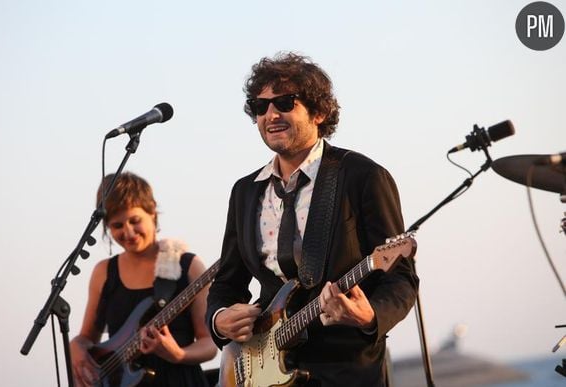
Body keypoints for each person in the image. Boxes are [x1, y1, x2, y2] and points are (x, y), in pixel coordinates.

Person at [205, 52, 419, 387]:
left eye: (285, 102)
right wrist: (219, 320)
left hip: (346, 369)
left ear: (319, 112)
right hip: (264, 370)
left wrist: (370, 315)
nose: (270, 114)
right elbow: (226, 284)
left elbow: (402, 280)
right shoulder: (245, 192)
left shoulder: (362, 176)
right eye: (260, 107)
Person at [70, 172, 217, 387]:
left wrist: (178, 354)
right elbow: (87, 337)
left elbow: (209, 343)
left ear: (153, 213)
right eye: (117, 226)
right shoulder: (103, 272)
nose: (128, 232)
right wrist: (76, 346)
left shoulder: (188, 265)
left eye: (135, 220)